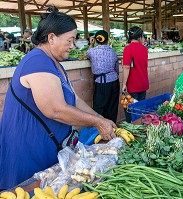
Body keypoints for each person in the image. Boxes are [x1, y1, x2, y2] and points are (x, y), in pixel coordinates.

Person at [0, 6, 116, 190]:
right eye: (70, 40)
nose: (73, 45)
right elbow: (54, 109)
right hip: (28, 151)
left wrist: (101, 119)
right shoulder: (37, 61)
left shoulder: (55, 63)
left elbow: (75, 99)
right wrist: (95, 122)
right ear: (51, 37)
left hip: (47, 149)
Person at [86, 30, 119, 123]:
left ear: (96, 40)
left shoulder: (92, 52)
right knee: (112, 107)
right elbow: (116, 68)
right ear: (107, 40)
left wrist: (91, 44)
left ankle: (101, 131)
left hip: (102, 83)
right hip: (114, 81)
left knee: (99, 108)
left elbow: (87, 53)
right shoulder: (112, 52)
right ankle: (112, 129)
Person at [122, 26, 149, 123]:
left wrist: (124, 84)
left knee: (131, 110)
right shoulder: (144, 49)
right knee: (141, 109)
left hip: (133, 84)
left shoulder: (128, 49)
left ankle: (133, 129)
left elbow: (126, 67)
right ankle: (141, 126)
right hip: (143, 83)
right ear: (140, 37)